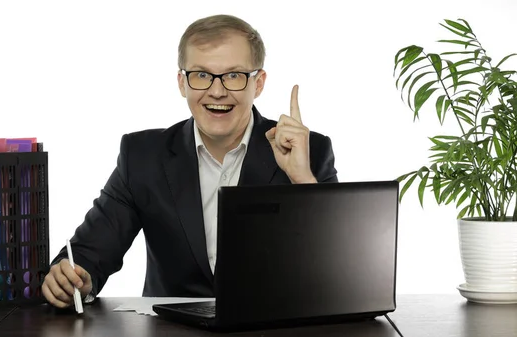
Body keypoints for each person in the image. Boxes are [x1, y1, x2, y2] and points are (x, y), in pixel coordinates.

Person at [41, 14, 338, 309]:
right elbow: (88, 256)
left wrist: (303, 180)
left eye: (234, 75)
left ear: (258, 83)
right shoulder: (142, 155)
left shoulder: (308, 150)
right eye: (201, 75)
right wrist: (71, 280)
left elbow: (338, 270)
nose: (217, 90)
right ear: (182, 83)